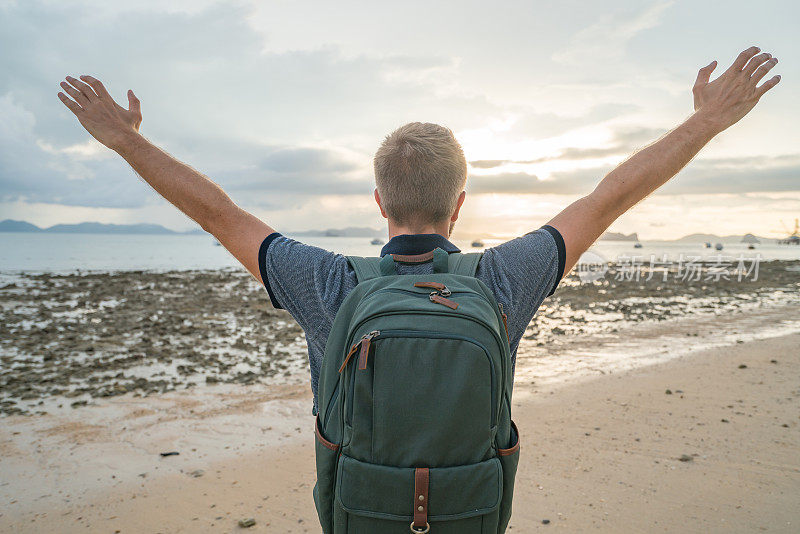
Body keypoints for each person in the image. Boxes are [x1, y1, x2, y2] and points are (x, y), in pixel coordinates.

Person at [57, 46, 779, 415]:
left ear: (378, 202)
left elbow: (220, 216)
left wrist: (125, 142)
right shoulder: (503, 278)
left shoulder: (328, 284)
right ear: (458, 206)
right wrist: (707, 121)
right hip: (469, 502)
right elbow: (608, 198)